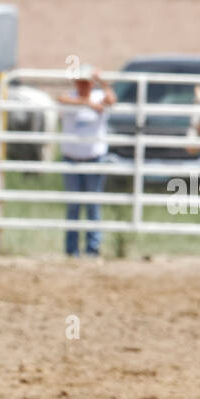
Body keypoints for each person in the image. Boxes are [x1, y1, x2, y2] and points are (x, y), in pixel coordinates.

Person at [56, 66, 115, 257]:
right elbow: (61, 98)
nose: (83, 84)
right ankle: (72, 249)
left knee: (92, 205)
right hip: (72, 158)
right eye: (80, 80)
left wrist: (103, 82)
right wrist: (87, 103)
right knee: (74, 206)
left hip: (94, 158)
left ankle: (92, 248)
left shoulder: (99, 96)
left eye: (87, 81)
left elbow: (111, 100)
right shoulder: (72, 97)